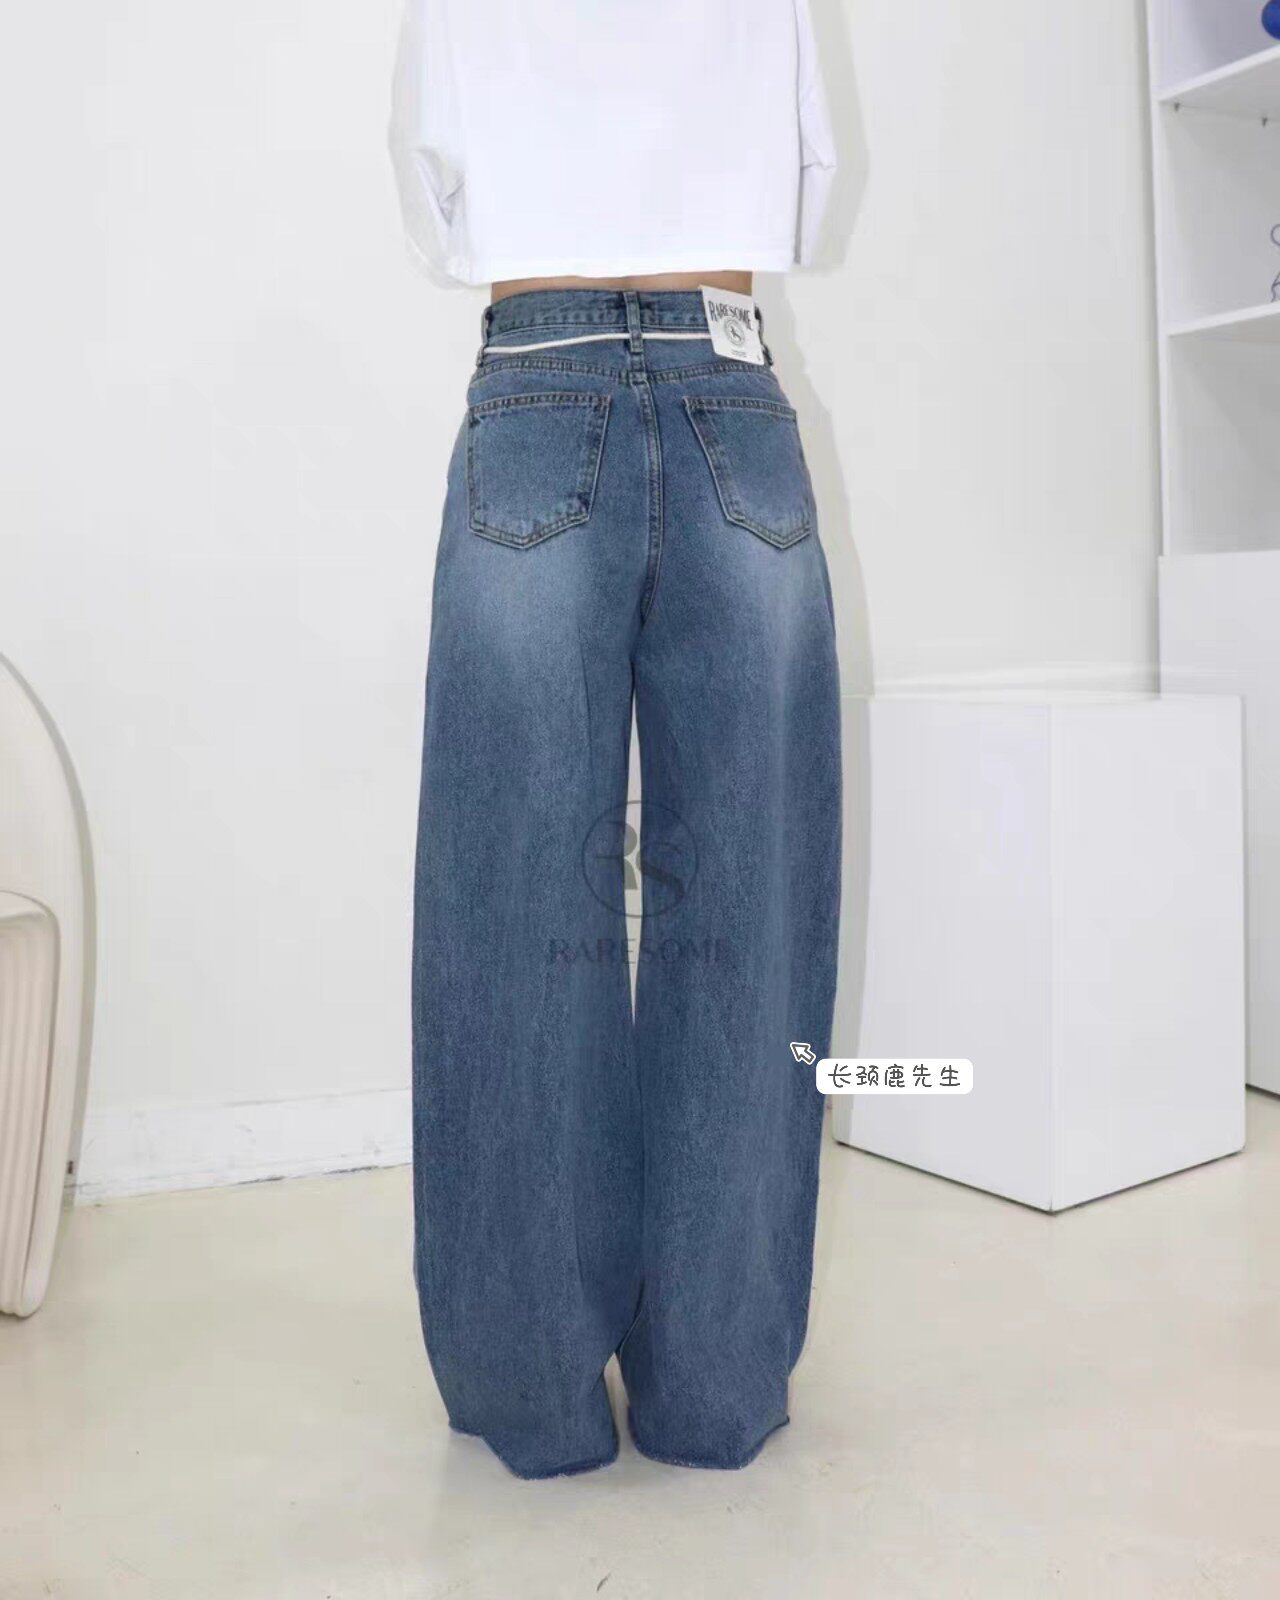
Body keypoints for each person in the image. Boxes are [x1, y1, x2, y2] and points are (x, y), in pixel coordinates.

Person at [388, 0, 842, 1480]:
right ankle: (716, 1388)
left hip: (538, 384)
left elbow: (431, 194)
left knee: (510, 912)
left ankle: (532, 1397)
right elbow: (808, 185)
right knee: (751, 914)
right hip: (730, 396)